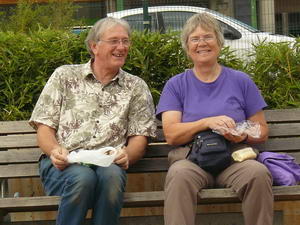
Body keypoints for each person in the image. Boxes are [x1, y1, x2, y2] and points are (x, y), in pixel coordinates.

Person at [29, 17, 156, 225]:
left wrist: (128, 155)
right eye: (114, 41)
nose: (121, 47)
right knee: (83, 178)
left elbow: (139, 137)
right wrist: (54, 150)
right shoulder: (64, 76)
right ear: (94, 46)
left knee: (112, 177)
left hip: (109, 162)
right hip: (65, 164)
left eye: (125, 41)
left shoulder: (136, 87)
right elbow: (44, 127)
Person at [156, 13, 273, 225]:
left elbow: (262, 129)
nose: (202, 43)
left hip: (233, 157)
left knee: (257, 173)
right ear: (187, 46)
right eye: (195, 39)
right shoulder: (176, 85)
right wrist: (206, 122)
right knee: (178, 175)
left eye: (208, 37)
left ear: (219, 42)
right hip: (192, 159)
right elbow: (171, 135)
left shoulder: (241, 81)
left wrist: (242, 134)